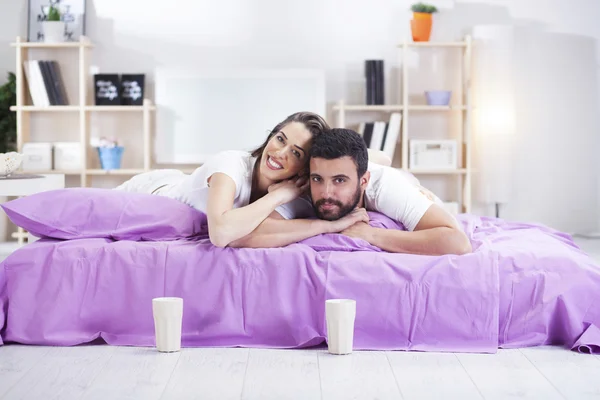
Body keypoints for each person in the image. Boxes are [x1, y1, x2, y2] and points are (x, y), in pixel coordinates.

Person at [115, 112, 369, 247]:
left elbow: (255, 234)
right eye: (280, 139)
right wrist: (278, 196)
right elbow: (222, 233)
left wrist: (330, 225)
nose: (280, 153)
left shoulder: (300, 193)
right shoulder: (230, 164)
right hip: (151, 191)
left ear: (304, 167)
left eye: (296, 153)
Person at [231, 128, 472, 256]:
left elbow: (457, 242)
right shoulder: (307, 188)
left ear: (363, 180)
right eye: (318, 178)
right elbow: (243, 236)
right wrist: (328, 226)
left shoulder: (386, 186)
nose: (326, 193)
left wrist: (371, 235)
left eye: (339, 180)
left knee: (394, 171)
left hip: (403, 182)